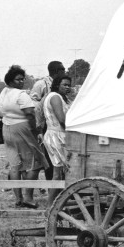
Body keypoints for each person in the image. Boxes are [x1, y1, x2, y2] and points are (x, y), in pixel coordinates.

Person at [0, 64, 48, 208]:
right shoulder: (21, 95)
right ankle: (28, 197)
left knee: (15, 164)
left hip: (7, 128)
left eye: (22, 79)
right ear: (11, 80)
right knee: (34, 163)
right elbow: (30, 114)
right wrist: (36, 131)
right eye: (18, 79)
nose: (21, 82)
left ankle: (18, 198)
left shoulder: (4, 93)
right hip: (22, 128)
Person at [28, 60, 64, 189]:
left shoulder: (61, 83)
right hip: (46, 125)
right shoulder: (41, 84)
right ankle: (51, 187)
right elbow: (33, 103)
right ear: (56, 71)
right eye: (62, 70)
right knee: (49, 159)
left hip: (56, 125)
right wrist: (45, 104)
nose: (64, 72)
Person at [41, 72, 72, 205]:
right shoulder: (55, 97)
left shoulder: (63, 97)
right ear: (57, 85)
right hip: (56, 136)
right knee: (58, 172)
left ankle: (58, 202)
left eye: (69, 85)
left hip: (60, 135)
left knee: (62, 172)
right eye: (64, 84)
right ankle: (50, 205)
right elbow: (62, 119)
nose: (67, 87)